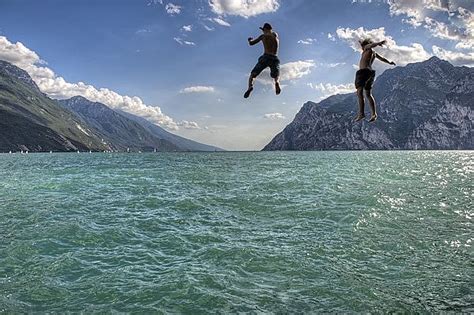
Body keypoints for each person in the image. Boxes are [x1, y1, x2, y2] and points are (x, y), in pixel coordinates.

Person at [354, 38, 396, 122]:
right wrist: (389, 62)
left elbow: (370, 45)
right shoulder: (374, 53)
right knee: (368, 94)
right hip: (370, 73)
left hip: (363, 72)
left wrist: (378, 43)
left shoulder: (367, 48)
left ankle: (361, 114)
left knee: (359, 92)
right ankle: (374, 114)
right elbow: (382, 59)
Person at [244, 23, 281, 98]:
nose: (262, 31)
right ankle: (276, 82)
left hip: (265, 57)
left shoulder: (263, 36)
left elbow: (251, 43)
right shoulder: (275, 35)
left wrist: (250, 40)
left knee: (253, 75)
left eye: (263, 30)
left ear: (265, 29)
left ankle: (250, 87)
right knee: (275, 75)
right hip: (275, 58)